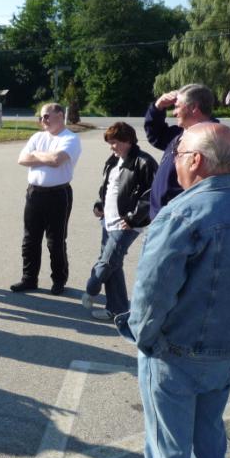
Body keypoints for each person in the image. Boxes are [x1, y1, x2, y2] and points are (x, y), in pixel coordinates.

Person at [128, 123, 230, 458]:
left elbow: (152, 293)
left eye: (178, 154)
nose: (174, 161)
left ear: (195, 160)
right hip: (225, 350)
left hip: (174, 352)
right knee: (209, 438)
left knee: (168, 451)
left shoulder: (180, 214)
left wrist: (145, 340)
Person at [81, 122, 157, 321]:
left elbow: (152, 195)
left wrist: (133, 218)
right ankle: (117, 310)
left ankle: (91, 289)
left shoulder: (144, 162)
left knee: (107, 262)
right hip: (108, 220)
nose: (111, 147)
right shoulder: (113, 160)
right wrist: (99, 204)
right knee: (114, 265)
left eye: (114, 142)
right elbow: (107, 188)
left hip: (127, 224)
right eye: (110, 143)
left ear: (128, 141)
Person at [11, 103, 81, 295]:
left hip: (58, 194)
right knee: (30, 239)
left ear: (60, 115)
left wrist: (35, 155)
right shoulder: (37, 137)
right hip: (34, 193)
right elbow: (22, 159)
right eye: (41, 117)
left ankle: (59, 280)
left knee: (55, 241)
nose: (43, 120)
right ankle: (29, 279)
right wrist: (44, 157)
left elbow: (56, 160)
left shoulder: (70, 138)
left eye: (47, 116)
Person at [144, 83, 217, 220]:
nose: (174, 112)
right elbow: (156, 136)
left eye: (177, 107)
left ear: (194, 108)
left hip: (177, 219)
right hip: (162, 216)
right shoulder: (183, 132)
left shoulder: (208, 140)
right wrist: (158, 107)